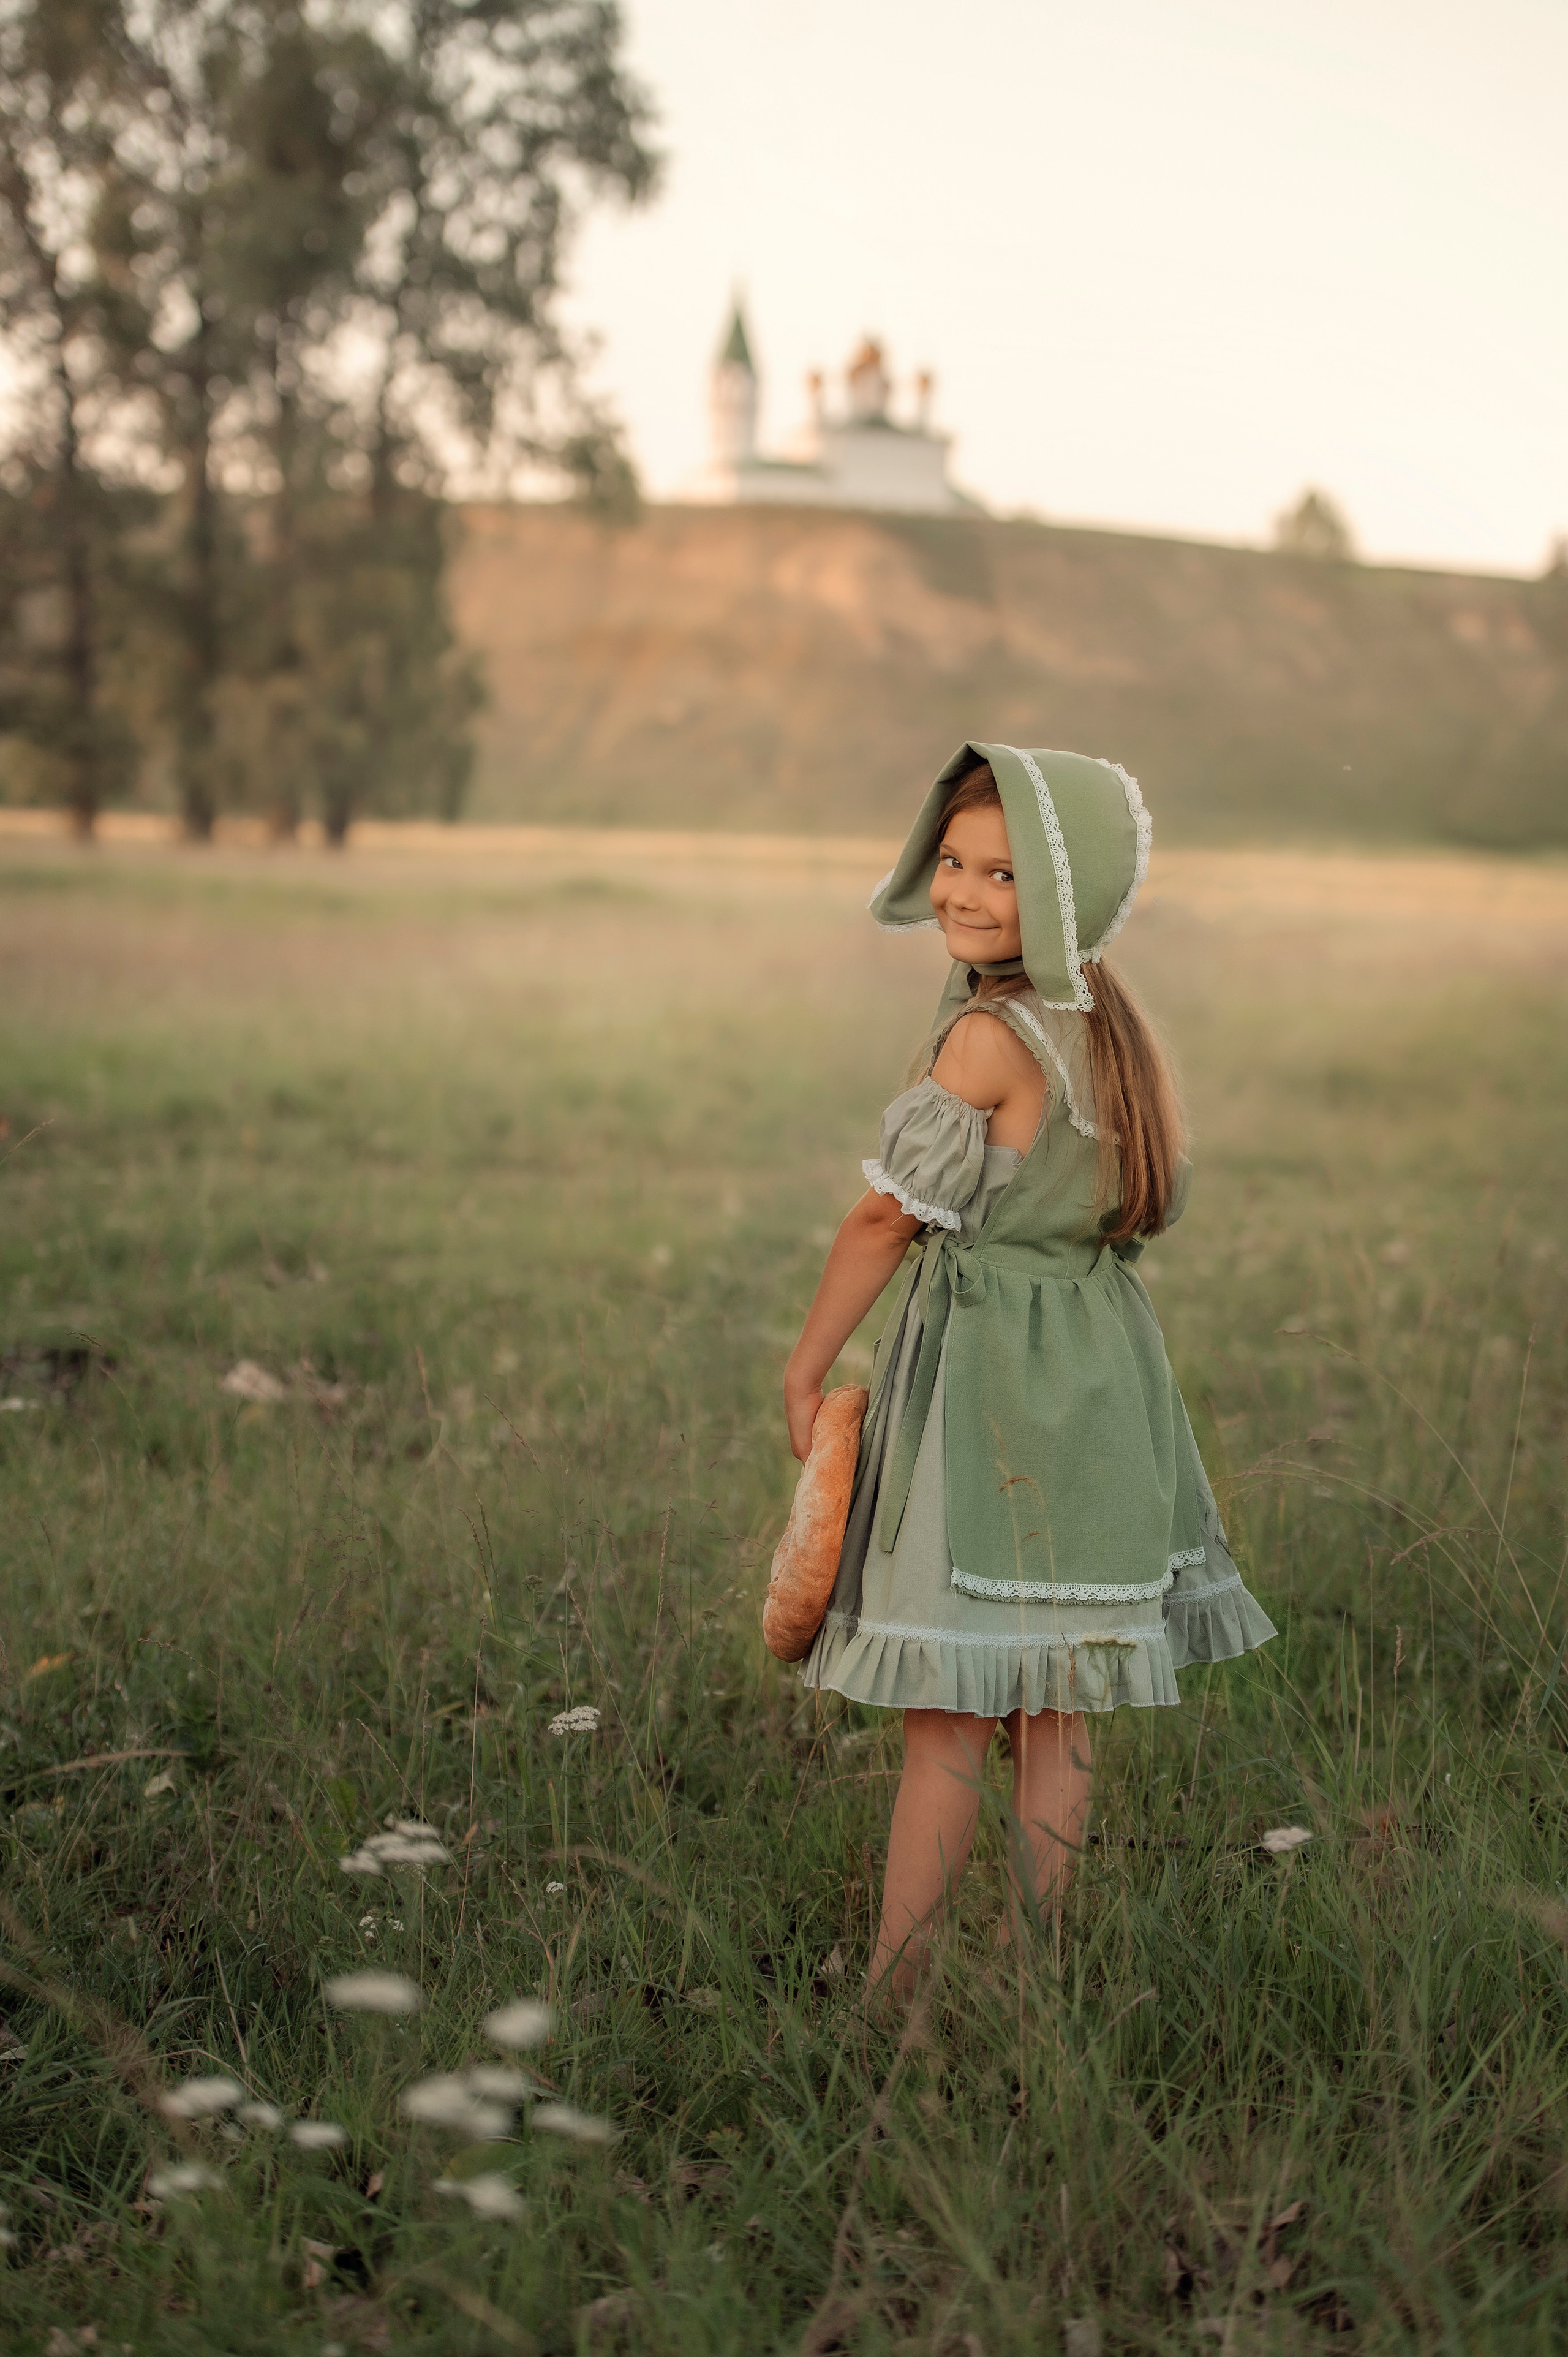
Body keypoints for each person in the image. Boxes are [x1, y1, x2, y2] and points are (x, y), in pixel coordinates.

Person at [785, 744, 1275, 1999]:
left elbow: (884, 1222)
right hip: (1105, 1382)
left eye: (1000, 871)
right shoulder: (1110, 1022)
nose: (959, 888)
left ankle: (897, 1995)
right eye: (950, 858)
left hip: (991, 1381)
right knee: (1053, 1705)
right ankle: (1029, 1972)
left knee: (949, 1713)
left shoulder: (984, 1035)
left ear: (1063, 894)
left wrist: (808, 1361)